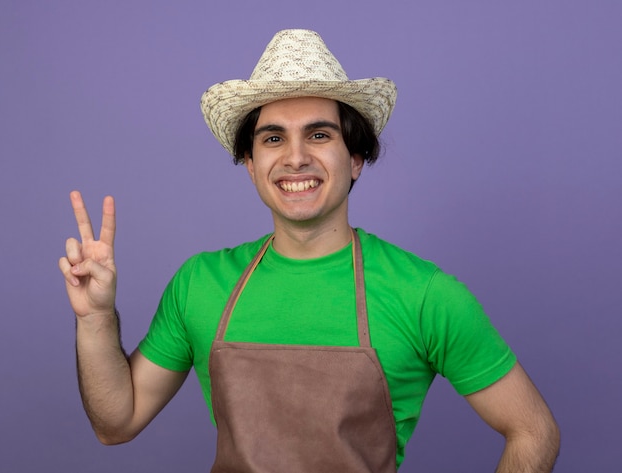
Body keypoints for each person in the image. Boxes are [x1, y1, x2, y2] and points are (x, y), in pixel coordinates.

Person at [59, 29, 560, 472]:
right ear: (252, 165)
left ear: (356, 158)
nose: (295, 157)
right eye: (273, 138)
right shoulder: (200, 284)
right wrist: (95, 318)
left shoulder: (424, 295)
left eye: (319, 135)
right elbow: (116, 423)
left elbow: (534, 431)